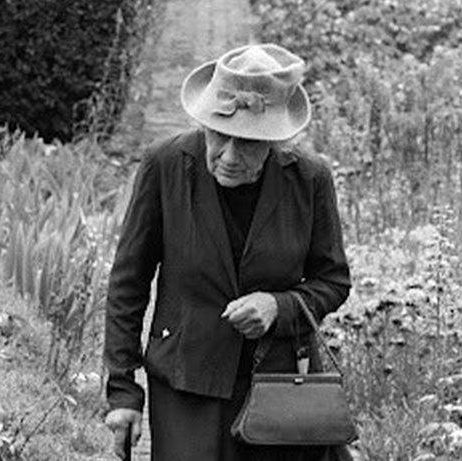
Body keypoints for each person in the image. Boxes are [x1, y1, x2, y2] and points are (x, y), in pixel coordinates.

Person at [103, 43, 351, 461]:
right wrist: (123, 390)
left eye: (249, 143)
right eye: (220, 136)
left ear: (275, 140)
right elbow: (128, 282)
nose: (230, 156)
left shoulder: (309, 179)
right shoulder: (165, 164)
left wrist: (280, 305)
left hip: (278, 387)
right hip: (186, 382)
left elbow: (334, 281)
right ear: (204, 124)